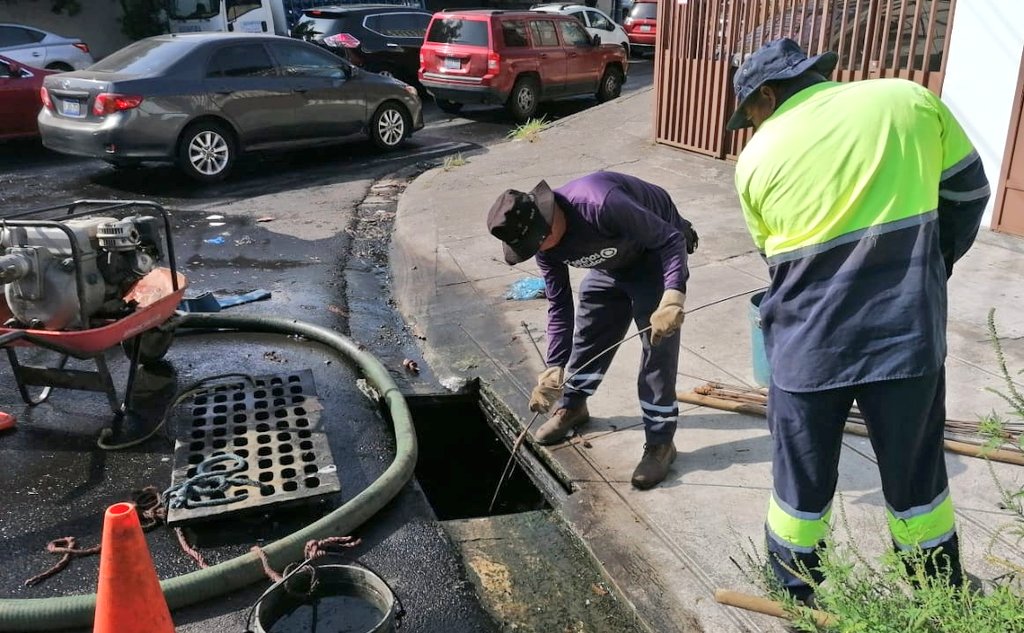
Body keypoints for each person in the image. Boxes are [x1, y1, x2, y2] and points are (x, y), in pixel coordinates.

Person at [728, 38, 990, 601]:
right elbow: (968, 194)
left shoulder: (754, 161)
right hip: (907, 337)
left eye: (749, 113)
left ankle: (796, 592)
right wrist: (928, 269)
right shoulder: (907, 101)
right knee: (916, 474)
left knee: (799, 483)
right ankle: (936, 590)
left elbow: (777, 265)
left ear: (767, 95)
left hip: (807, 348)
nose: (751, 127)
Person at [487, 171, 698, 489]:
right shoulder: (544, 246)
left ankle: (660, 443)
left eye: (538, 243)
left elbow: (670, 240)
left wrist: (673, 297)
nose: (539, 250)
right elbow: (559, 306)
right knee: (591, 326)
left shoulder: (600, 203)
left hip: (653, 256)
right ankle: (573, 405)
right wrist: (554, 366)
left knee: (657, 350)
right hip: (612, 263)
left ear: (549, 217)